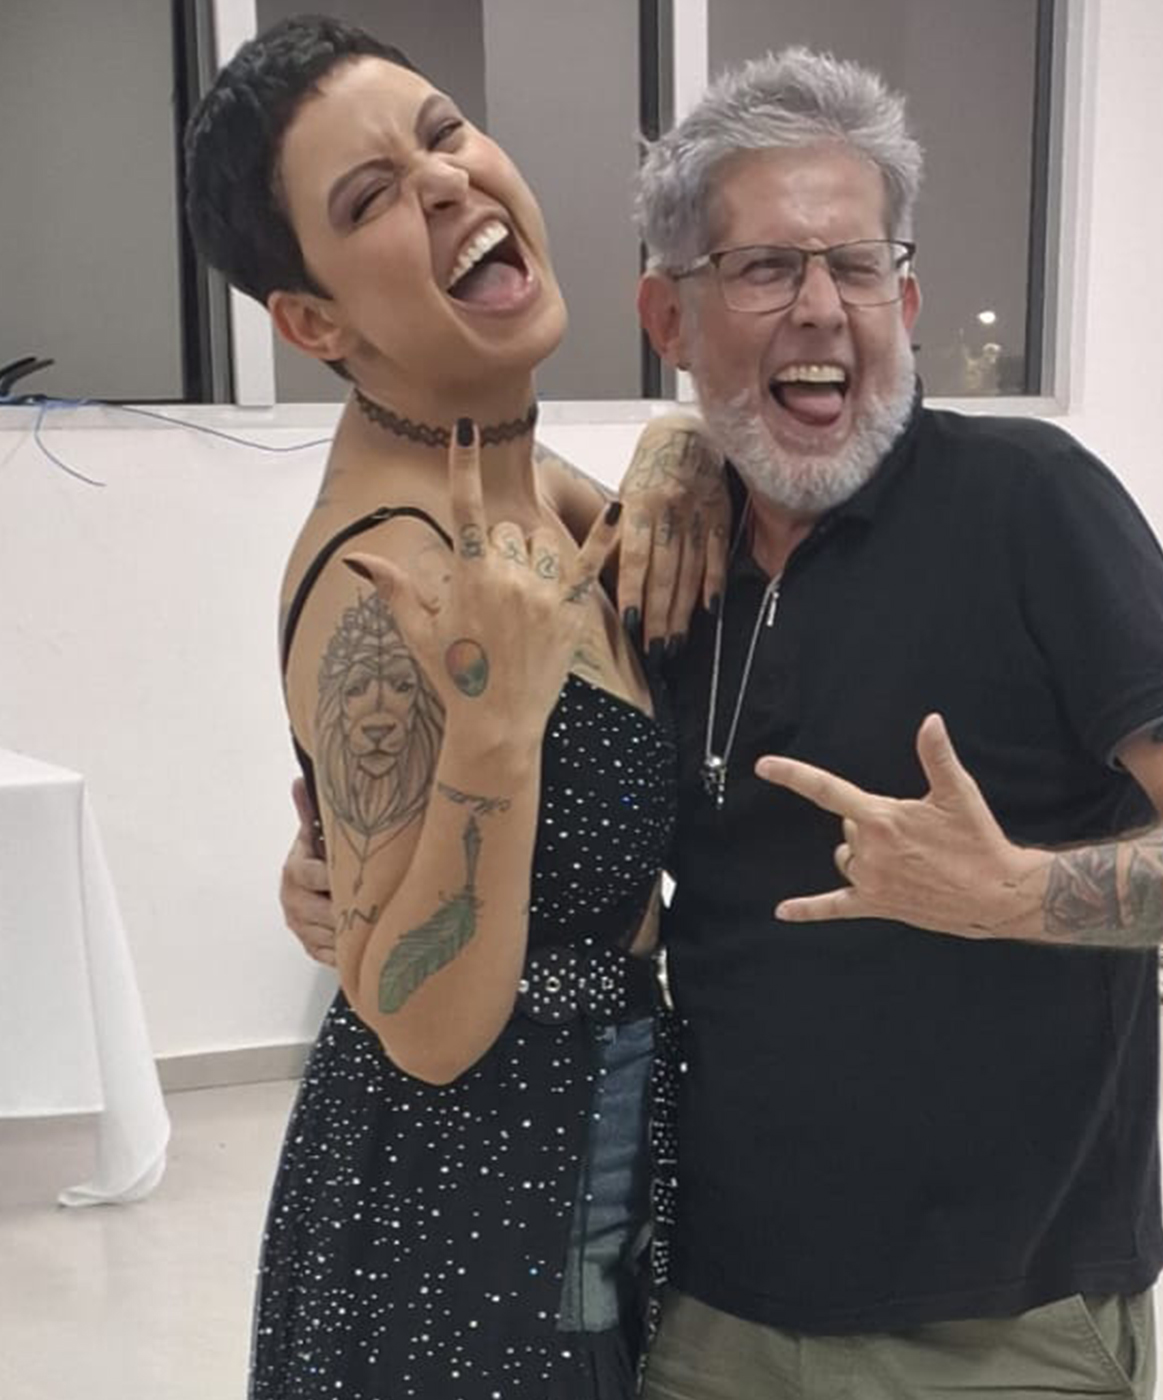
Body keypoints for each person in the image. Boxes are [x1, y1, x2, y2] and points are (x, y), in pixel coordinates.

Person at [283, 47, 1163, 1400]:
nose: (822, 307)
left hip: (996, 1327)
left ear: (908, 299)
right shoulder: (666, 565)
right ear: (669, 314)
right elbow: (565, 793)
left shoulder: (1034, 506)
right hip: (701, 1308)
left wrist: (1012, 893)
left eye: (859, 266)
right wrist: (350, 875)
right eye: (764, 269)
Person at [185, 16, 723, 1399]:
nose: (442, 182)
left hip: (589, 1150)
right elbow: (421, 1027)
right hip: (457, 1229)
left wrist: (683, 442)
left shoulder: (524, 483)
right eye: (369, 197)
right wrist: (491, 737)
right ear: (314, 323)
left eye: (441, 133)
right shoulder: (388, 578)